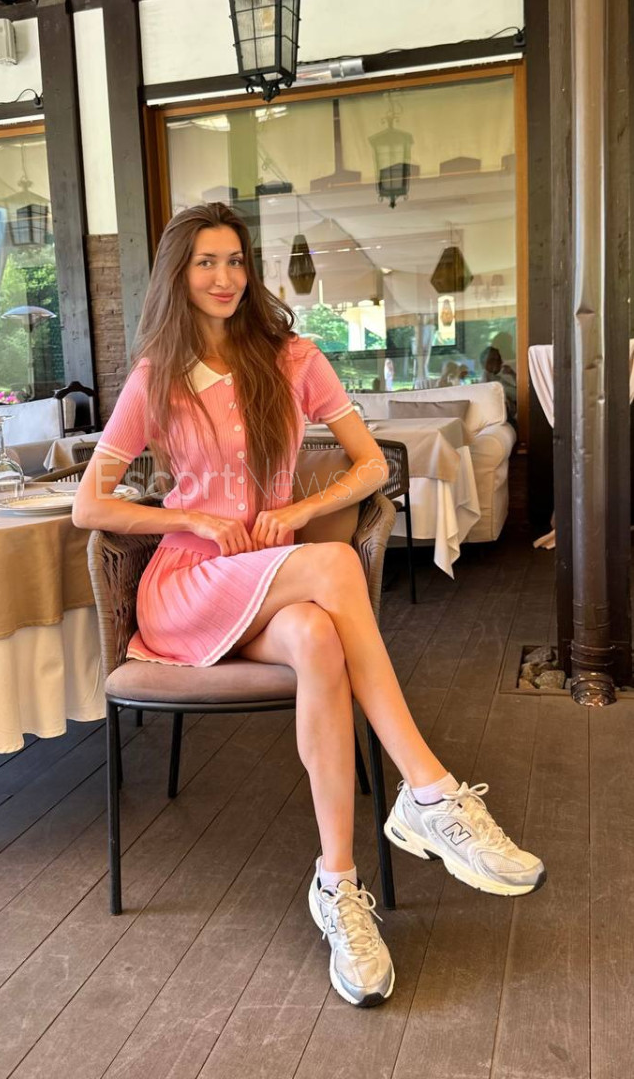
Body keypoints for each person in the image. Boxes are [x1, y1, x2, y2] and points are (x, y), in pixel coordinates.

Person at [73, 203, 545, 1010]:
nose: (224, 277)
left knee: (320, 637)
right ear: (178, 276)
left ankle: (337, 886)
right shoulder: (156, 374)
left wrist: (294, 511)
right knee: (331, 565)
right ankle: (429, 791)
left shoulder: (293, 358)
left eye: (234, 260)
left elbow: (370, 467)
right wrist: (194, 518)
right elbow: (91, 504)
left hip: (268, 577)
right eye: (205, 262)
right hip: (189, 586)